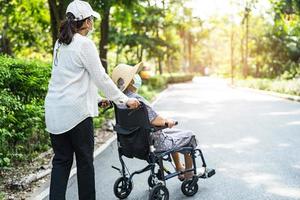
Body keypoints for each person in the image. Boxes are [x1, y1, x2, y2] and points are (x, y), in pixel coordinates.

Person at [44, 1, 140, 199]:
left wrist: (96, 99)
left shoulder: (60, 43)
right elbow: (101, 78)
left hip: (54, 112)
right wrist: (124, 100)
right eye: (92, 19)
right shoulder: (84, 43)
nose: (93, 23)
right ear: (86, 22)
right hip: (76, 115)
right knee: (85, 163)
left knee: (61, 162)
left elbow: (70, 79)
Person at [111, 63, 199, 180]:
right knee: (190, 136)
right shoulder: (137, 101)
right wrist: (168, 121)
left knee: (172, 135)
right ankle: (188, 175)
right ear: (131, 81)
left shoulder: (119, 102)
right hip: (153, 142)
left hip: (131, 143)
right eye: (134, 76)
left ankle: (179, 167)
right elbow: (157, 121)